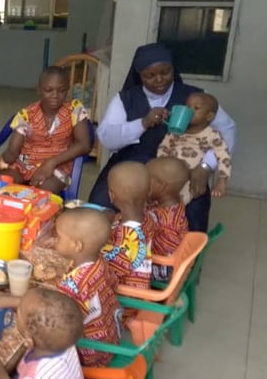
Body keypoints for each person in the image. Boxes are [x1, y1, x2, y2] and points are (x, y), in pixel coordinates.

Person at [89, 43, 236, 232]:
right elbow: (107, 138)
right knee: (101, 205)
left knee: (192, 211)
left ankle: (182, 258)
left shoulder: (197, 97)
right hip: (132, 165)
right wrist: (142, 123)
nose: (159, 79)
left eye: (166, 72)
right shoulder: (125, 99)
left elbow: (227, 130)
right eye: (150, 75)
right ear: (139, 74)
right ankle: (111, 254)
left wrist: (206, 166)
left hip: (183, 168)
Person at [0, 209, 120, 367]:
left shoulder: (74, 284)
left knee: (27, 334)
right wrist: (61, 271)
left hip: (87, 353)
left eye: (59, 237)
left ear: (77, 246)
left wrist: (6, 300)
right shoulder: (100, 262)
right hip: (109, 339)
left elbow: (52, 314)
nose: (55, 240)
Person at [0, 66, 91, 194]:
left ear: (68, 91)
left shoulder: (75, 109)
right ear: (38, 90)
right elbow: (13, 152)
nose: (55, 95)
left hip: (58, 166)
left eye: (62, 90)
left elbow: (84, 145)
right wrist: (1, 160)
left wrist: (51, 163)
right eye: (48, 90)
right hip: (24, 165)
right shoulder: (26, 115)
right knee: (0, 185)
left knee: (43, 194)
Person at [0, 287, 84, 379]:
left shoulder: (39, 373)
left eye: (18, 312)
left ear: (29, 342)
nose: (16, 309)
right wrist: (24, 303)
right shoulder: (61, 340)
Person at [158, 92, 232, 203]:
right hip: (167, 172)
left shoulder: (212, 135)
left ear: (209, 116)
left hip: (191, 177)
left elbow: (223, 156)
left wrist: (222, 180)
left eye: (196, 108)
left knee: (177, 201)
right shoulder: (177, 129)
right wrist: (161, 162)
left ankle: (171, 217)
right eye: (187, 106)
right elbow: (165, 145)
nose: (189, 110)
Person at [101, 162, 153, 294]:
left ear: (111, 195)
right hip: (140, 281)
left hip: (124, 297)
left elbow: (105, 273)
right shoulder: (148, 217)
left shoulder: (125, 238)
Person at [146, 157, 190, 281]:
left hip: (163, 270)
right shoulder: (170, 206)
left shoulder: (166, 220)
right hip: (166, 263)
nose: (141, 182)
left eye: (146, 179)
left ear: (161, 186)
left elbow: (166, 254)